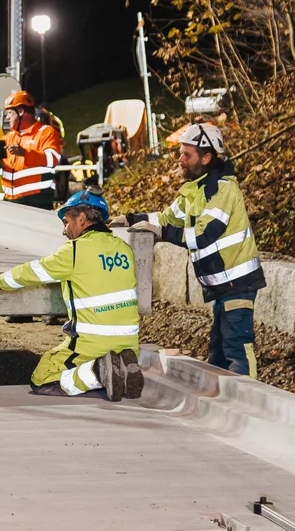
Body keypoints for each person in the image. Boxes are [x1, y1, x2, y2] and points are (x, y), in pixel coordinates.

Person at [113, 123, 265, 378]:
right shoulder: (195, 190)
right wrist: (128, 219)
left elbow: (205, 235)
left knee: (236, 349)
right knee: (218, 352)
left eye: (187, 155)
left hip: (238, 284)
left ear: (206, 158)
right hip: (223, 286)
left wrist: (161, 233)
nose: (180, 160)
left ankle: (252, 405)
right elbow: (166, 218)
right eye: (180, 153)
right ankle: (225, 404)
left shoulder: (223, 189)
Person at [0, 189, 142, 401]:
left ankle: (99, 372)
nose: (64, 230)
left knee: (42, 379)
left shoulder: (74, 250)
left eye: (66, 222)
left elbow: (31, 272)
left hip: (91, 345)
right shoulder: (124, 249)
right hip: (129, 343)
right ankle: (120, 368)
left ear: (81, 219)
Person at [0, 91, 62, 210]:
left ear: (21, 112)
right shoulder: (8, 137)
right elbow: (4, 167)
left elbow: (53, 159)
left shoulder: (46, 132)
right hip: (9, 202)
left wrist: (25, 153)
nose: (7, 117)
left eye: (10, 113)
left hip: (37, 201)